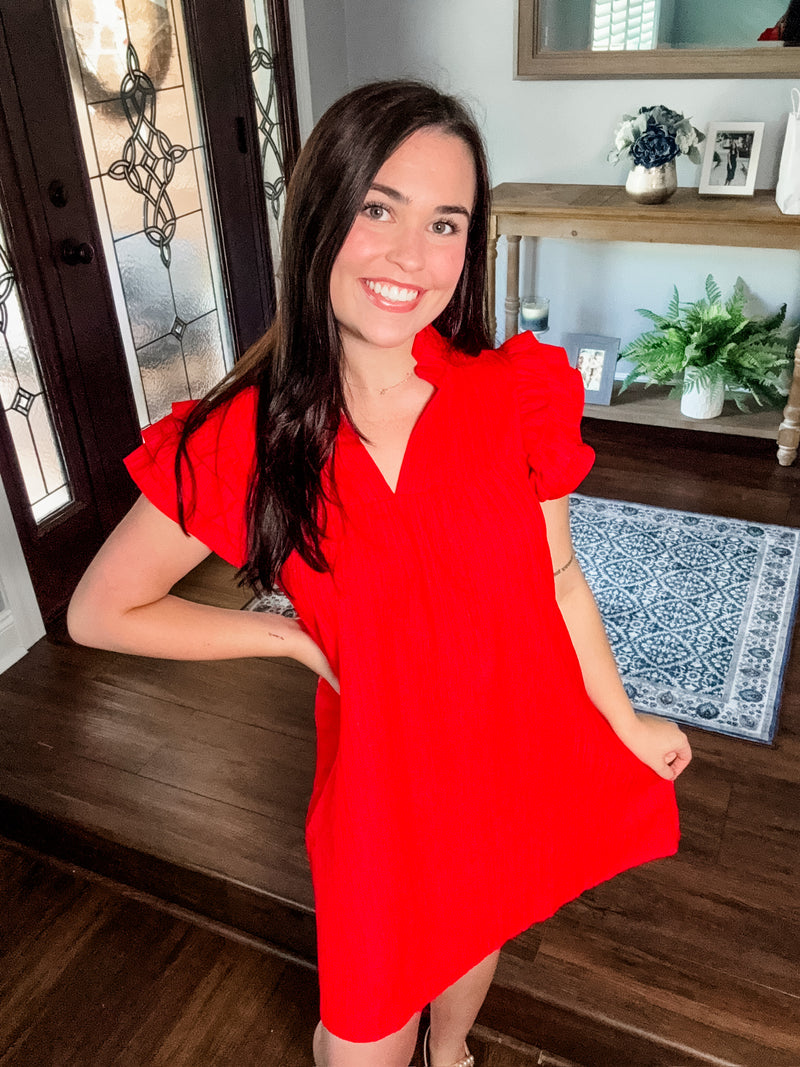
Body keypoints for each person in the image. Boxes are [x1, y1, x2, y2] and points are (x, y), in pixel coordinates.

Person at [67, 80, 692, 1067]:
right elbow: (103, 608)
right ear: (320, 216)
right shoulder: (248, 436)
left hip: (503, 760)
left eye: (445, 223)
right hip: (380, 802)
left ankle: (455, 1053)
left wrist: (623, 722)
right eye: (377, 208)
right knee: (363, 1035)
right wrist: (284, 635)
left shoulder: (513, 395)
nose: (411, 255)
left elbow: (562, 580)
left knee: (474, 940)